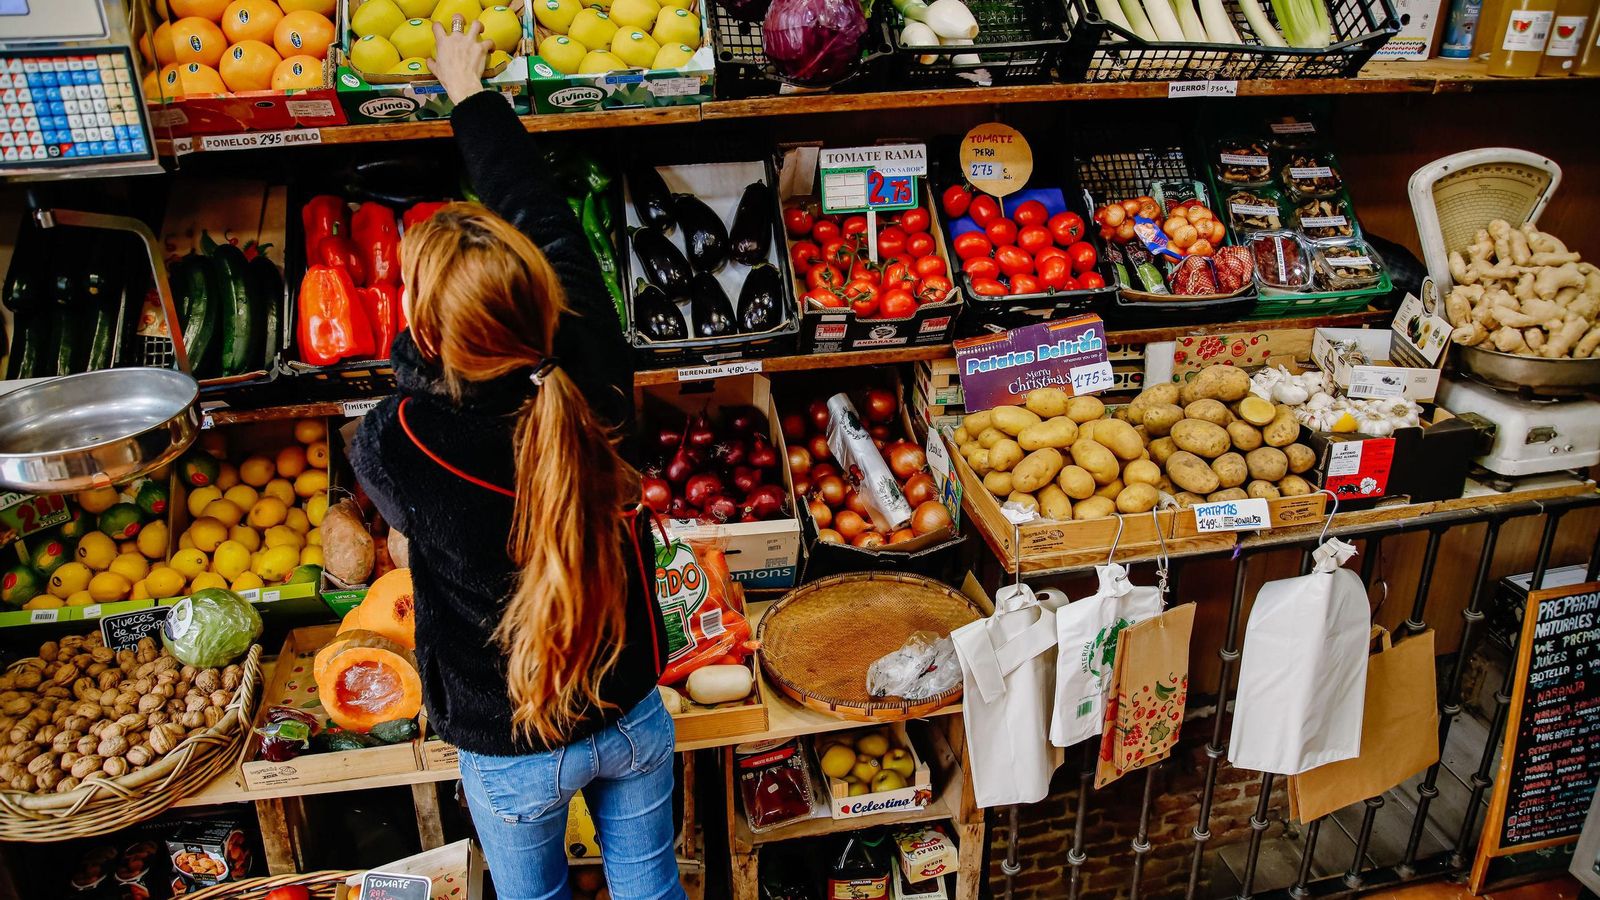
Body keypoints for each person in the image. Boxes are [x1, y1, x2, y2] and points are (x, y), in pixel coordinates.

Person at [349, 16, 682, 900]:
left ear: (427, 333)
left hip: (512, 741)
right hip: (631, 709)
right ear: (540, 291)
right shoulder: (589, 354)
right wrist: (471, 94)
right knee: (651, 890)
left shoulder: (399, 438)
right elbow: (536, 204)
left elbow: (404, 517)